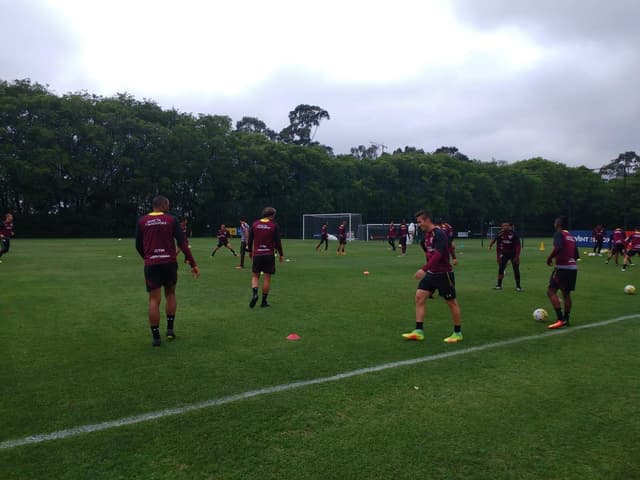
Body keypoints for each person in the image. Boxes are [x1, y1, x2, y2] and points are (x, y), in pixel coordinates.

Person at [135, 195, 199, 346]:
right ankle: (170, 330)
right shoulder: (171, 220)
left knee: (153, 300)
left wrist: (148, 258)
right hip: (169, 263)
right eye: (168, 204)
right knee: (170, 294)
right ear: (163, 204)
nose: (169, 206)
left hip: (152, 264)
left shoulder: (142, 221)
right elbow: (182, 243)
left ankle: (156, 338)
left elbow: (138, 244)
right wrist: (193, 264)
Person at [402, 210, 462, 343]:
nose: (418, 225)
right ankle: (418, 331)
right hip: (431, 274)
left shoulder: (439, 233)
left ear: (427, 220)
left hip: (443, 274)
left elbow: (439, 254)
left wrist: (424, 269)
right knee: (419, 297)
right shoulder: (427, 236)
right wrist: (428, 267)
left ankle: (457, 333)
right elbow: (429, 252)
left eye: (420, 222)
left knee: (451, 303)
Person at [248, 207, 284, 308]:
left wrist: (250, 251)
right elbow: (278, 242)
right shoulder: (274, 225)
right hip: (269, 255)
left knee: (255, 276)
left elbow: (250, 240)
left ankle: (255, 294)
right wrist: (281, 254)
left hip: (257, 254)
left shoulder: (255, 224)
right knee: (267, 278)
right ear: (272, 215)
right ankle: (264, 301)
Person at [546, 216, 578, 329]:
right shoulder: (571, 237)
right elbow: (576, 256)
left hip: (562, 268)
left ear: (558, 224)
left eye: (555, 222)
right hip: (573, 268)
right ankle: (566, 320)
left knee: (551, 291)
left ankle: (560, 319)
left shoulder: (558, 234)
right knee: (566, 294)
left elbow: (558, 247)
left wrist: (549, 258)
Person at [489, 222, 522, 291]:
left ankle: (518, 286)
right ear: (501, 227)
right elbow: (498, 246)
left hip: (513, 253)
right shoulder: (500, 234)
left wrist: (517, 256)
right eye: (503, 226)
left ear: (510, 227)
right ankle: (499, 285)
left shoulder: (514, 234)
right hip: (504, 254)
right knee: (501, 268)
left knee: (516, 269)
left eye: (507, 226)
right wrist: (498, 257)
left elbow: (518, 246)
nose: (505, 227)